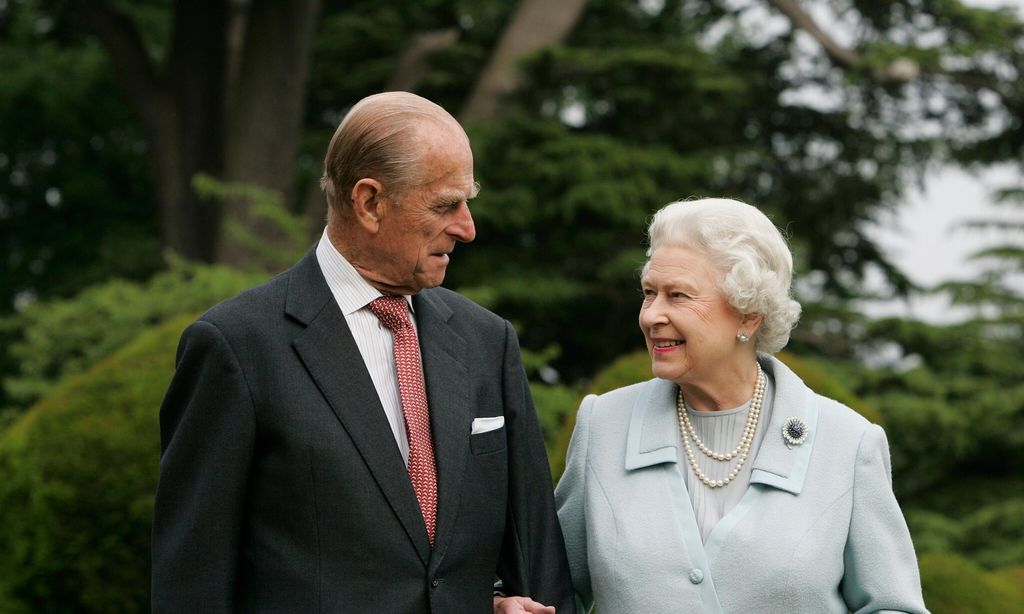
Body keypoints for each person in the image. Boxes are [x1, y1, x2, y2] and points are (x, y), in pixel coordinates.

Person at [152, 91, 574, 613]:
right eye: (446, 204)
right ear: (370, 202)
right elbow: (191, 586)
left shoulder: (487, 340)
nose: (468, 227)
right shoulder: (235, 347)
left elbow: (537, 563)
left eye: (468, 202)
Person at [555, 198, 928, 613]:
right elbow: (551, 590)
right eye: (649, 293)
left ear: (748, 316)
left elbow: (893, 606)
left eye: (678, 295)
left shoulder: (848, 443)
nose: (651, 315)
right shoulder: (603, 425)